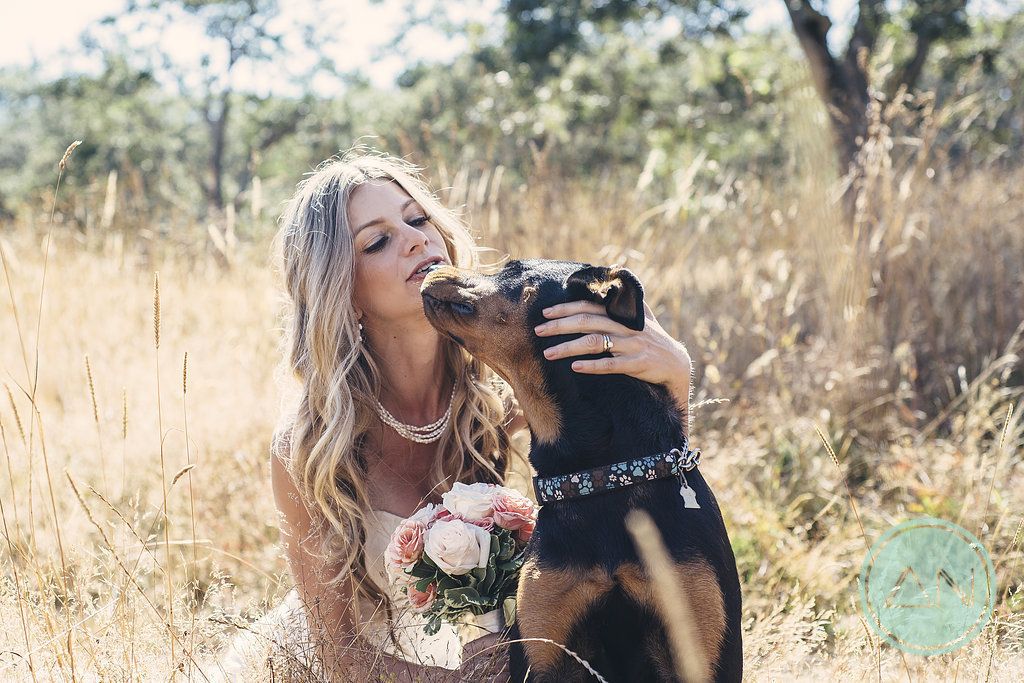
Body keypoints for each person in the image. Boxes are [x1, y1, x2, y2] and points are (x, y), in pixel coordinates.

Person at [215, 150, 694, 681]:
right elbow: (336, 654)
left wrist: (676, 378)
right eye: (377, 241)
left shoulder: (502, 398)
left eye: (417, 219)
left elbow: (651, 496)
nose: (416, 239)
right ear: (342, 293)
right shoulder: (310, 449)